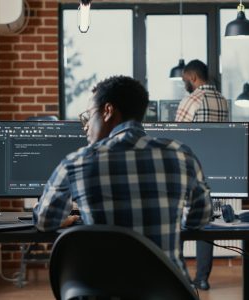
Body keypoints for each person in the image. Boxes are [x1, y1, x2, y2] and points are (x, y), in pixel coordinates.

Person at [33, 75, 212, 277]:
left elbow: (44, 221)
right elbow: (200, 218)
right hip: (167, 290)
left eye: (89, 116)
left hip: (102, 289)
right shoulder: (182, 155)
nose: (85, 126)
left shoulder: (76, 162)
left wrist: (67, 218)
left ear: (108, 111)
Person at [175, 59, 229, 290]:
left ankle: (179, 276)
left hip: (191, 170)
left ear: (193, 77)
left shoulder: (191, 100)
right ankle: (203, 278)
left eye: (185, 80)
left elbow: (177, 136)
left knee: (181, 221)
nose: (185, 84)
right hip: (216, 167)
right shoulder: (223, 101)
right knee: (207, 221)